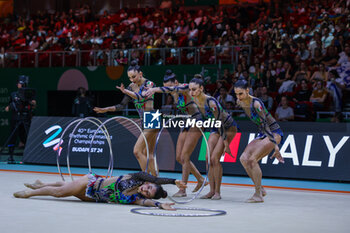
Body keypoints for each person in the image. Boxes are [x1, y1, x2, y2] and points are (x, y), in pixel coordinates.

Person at [144, 70, 206, 197]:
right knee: (179, 157)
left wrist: (155, 89)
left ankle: (182, 190)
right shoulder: (173, 93)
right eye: (166, 87)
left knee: (185, 156)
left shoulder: (184, 88)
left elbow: (175, 89)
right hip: (185, 123)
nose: (168, 89)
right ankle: (200, 179)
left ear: (176, 83)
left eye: (170, 87)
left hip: (196, 121)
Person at [93, 61, 158, 175]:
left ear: (140, 74)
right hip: (143, 121)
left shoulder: (150, 84)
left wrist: (126, 91)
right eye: (129, 78)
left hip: (152, 118)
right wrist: (105, 109)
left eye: (134, 77)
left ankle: (148, 179)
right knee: (148, 154)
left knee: (137, 151)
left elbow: (141, 97)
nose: (132, 80)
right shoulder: (131, 87)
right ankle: (156, 182)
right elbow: (121, 106)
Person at [13, 171, 186, 210]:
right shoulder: (136, 177)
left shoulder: (135, 199)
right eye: (148, 186)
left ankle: (40, 184)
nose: (145, 189)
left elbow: (147, 202)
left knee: (66, 189)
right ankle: (30, 193)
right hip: (91, 184)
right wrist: (174, 181)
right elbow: (155, 179)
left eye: (147, 191)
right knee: (61, 192)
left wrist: (160, 204)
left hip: (92, 198)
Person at [234, 79, 284, 203]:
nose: (238, 97)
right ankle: (260, 188)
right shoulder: (240, 102)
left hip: (273, 133)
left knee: (252, 160)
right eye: (236, 94)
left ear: (247, 90)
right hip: (262, 133)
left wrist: (275, 146)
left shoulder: (256, 104)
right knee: (243, 159)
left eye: (240, 94)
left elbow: (266, 125)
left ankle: (257, 195)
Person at [188, 77, 238, 200]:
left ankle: (217, 192)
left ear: (201, 88)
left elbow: (220, 123)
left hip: (228, 127)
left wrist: (226, 144)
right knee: (207, 158)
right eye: (190, 90)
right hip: (215, 127)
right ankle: (211, 191)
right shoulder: (195, 101)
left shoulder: (211, 102)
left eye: (194, 89)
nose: (191, 92)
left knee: (215, 158)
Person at [4, 75, 36, 163]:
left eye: (21, 83)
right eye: (18, 83)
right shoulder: (13, 94)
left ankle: (31, 156)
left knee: (27, 137)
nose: (19, 85)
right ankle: (10, 156)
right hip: (15, 118)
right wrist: (9, 107)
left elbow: (33, 105)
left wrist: (32, 103)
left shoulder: (29, 93)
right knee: (12, 137)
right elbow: (9, 106)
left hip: (25, 119)